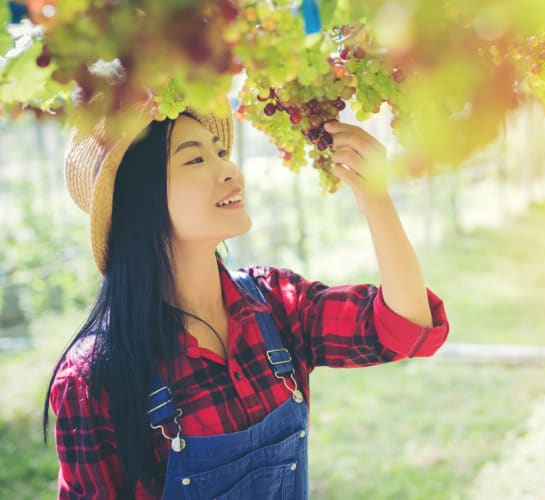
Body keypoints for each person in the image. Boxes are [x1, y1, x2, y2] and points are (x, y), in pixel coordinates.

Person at [44, 97, 450, 499]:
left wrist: (377, 201)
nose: (230, 169)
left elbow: (404, 328)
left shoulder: (276, 305)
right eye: (195, 160)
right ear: (140, 200)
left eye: (220, 152)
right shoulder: (92, 380)